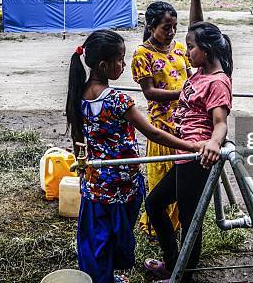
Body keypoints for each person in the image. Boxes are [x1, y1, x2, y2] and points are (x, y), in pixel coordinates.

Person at [66, 29, 213, 283]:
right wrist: (190, 146)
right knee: (116, 234)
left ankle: (103, 277)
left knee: (96, 235)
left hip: (93, 182)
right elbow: (153, 134)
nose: (124, 65)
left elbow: (78, 139)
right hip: (122, 185)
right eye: (121, 60)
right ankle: (107, 278)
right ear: (104, 65)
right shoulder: (118, 100)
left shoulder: (79, 92)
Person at [144, 0, 233, 282]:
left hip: (197, 156)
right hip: (184, 154)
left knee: (190, 219)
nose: (186, 50)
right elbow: (198, 27)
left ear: (205, 51)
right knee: (155, 204)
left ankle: (182, 275)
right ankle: (174, 263)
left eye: (190, 47)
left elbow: (220, 122)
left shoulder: (217, 82)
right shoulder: (199, 73)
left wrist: (213, 142)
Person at [131, 0, 190, 237]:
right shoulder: (142, 54)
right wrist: (182, 93)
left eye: (174, 26)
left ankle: (179, 223)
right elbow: (149, 92)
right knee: (161, 179)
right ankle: (159, 226)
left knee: (182, 179)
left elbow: (191, 76)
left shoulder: (179, 50)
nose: (172, 32)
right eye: (166, 27)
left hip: (184, 124)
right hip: (161, 127)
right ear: (151, 26)